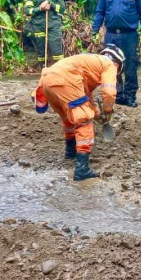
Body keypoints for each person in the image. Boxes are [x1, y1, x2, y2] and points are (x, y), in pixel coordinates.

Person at [34, 45, 124, 181]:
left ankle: (71, 153)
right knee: (84, 120)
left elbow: (85, 96)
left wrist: (96, 113)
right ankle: (82, 169)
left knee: (68, 117)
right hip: (66, 81)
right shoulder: (109, 65)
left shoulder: (90, 63)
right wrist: (107, 110)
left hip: (47, 81)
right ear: (117, 63)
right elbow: (110, 92)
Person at [23, 0, 65, 67]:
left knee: (57, 52)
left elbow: (62, 9)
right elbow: (27, 10)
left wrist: (51, 4)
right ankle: (43, 71)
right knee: (41, 53)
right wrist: (40, 8)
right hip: (38, 25)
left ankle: (59, 73)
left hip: (53, 25)